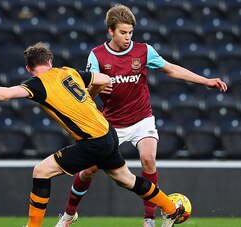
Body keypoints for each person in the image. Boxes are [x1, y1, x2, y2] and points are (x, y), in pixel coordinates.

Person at [0, 42, 186, 227]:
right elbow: (103, 78)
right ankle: (170, 207)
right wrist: (92, 94)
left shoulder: (37, 84)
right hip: (108, 132)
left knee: (41, 171)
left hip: (93, 141)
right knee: (126, 179)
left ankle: (33, 226)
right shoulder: (68, 71)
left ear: (29, 67)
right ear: (50, 61)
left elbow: (4, 93)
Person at [56, 3, 228, 227]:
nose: (127, 37)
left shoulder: (143, 51)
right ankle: (69, 215)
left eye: (130, 33)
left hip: (141, 119)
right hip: (110, 124)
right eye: (122, 32)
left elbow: (171, 69)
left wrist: (206, 81)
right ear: (110, 31)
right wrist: (98, 88)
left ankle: (149, 220)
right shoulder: (97, 55)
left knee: (148, 160)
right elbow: (87, 95)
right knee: (88, 171)